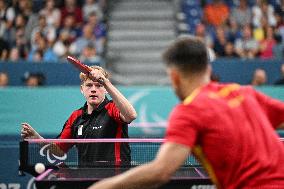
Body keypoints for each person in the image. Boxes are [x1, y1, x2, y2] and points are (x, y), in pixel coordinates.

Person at [89, 37, 284, 189]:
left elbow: (160, 171)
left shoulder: (188, 112)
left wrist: (103, 186)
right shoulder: (244, 92)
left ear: (174, 77)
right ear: (208, 68)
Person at [21, 66, 137, 167]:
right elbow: (58, 151)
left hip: (115, 178)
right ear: (82, 89)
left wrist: (105, 82)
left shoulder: (113, 108)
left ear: (105, 89)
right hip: (86, 178)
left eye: (98, 85)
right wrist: (37, 138)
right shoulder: (76, 116)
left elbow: (131, 115)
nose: (93, 89)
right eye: (89, 85)